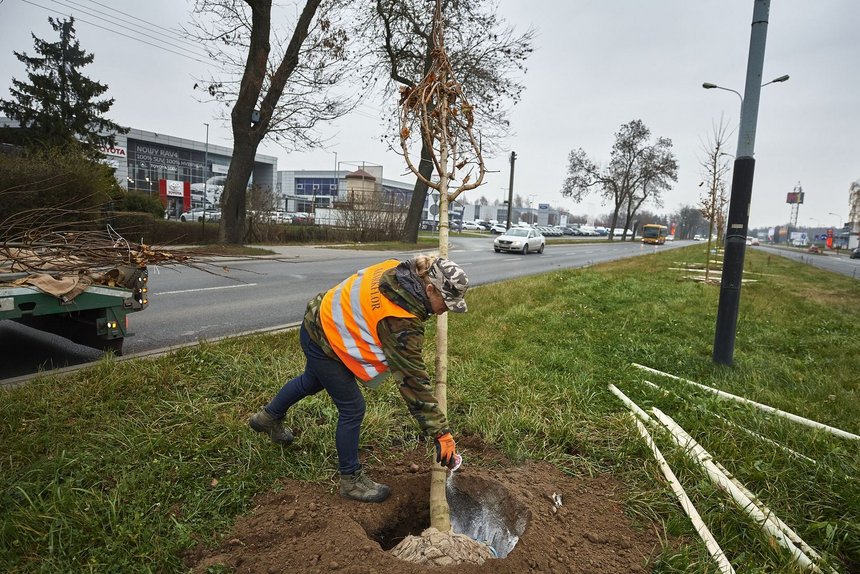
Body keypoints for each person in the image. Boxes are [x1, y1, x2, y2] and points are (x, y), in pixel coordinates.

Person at [249, 255, 468, 503]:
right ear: (429, 288)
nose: (446, 310)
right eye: (446, 302)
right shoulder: (400, 319)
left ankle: (266, 418)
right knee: (352, 408)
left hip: (319, 317)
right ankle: (350, 481)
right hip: (327, 337)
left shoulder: (397, 269)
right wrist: (441, 433)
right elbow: (412, 381)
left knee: (312, 380)